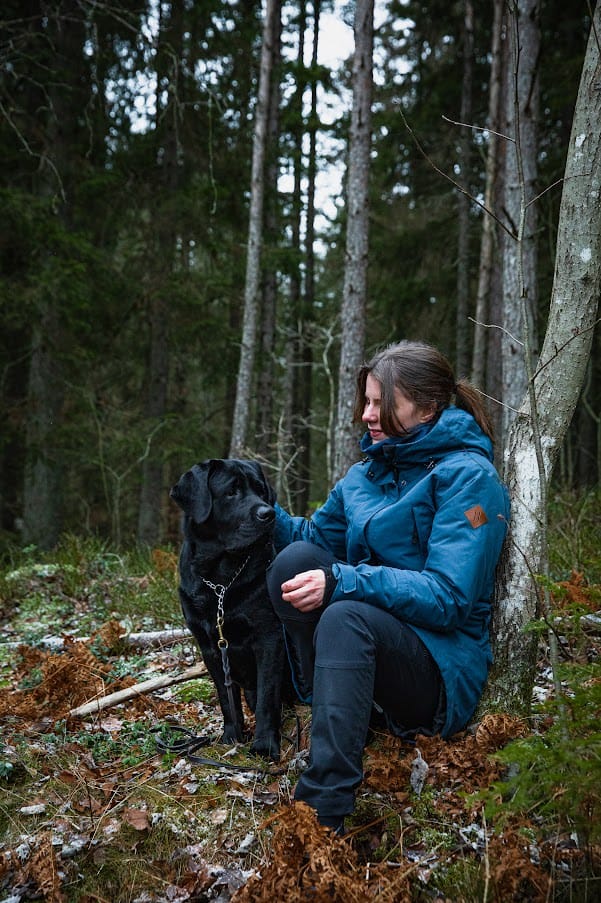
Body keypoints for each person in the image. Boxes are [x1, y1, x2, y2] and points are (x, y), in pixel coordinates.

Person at [266, 340, 510, 834]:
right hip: (371, 645)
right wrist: (250, 505)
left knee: (343, 612)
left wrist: (345, 580)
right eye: (367, 401)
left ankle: (323, 814)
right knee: (292, 563)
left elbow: (449, 597)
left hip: (437, 666)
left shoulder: (470, 479)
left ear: (426, 406)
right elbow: (311, 540)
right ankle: (333, 705)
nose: (366, 414)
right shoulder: (366, 475)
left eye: (381, 403)